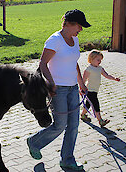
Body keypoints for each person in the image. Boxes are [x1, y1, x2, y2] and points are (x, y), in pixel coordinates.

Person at [27, 9, 90, 171]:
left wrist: (81, 83)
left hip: (72, 88)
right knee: (60, 125)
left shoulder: (74, 40)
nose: (81, 29)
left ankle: (67, 159)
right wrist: (51, 83)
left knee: (74, 125)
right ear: (69, 24)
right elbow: (43, 63)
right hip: (58, 89)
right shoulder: (55, 40)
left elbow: (73, 62)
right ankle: (34, 142)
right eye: (79, 26)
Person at [80, 49, 120, 127]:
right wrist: (82, 88)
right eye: (98, 60)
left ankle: (83, 115)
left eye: (100, 60)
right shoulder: (89, 69)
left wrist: (114, 78)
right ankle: (100, 121)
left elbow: (106, 75)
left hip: (95, 90)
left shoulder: (100, 68)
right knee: (95, 105)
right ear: (91, 59)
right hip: (90, 90)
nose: (100, 61)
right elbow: (83, 79)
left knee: (88, 104)